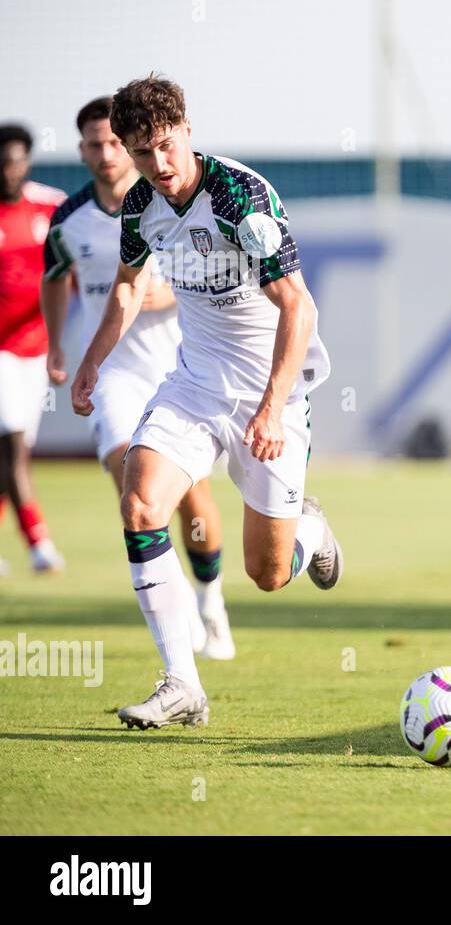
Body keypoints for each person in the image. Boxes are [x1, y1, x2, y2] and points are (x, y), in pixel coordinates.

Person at [70, 74, 343, 729]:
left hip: (268, 392)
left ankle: (313, 528)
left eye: (165, 144)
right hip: (193, 383)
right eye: (141, 151)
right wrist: (89, 365)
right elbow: (129, 291)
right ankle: (182, 684)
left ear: (187, 130)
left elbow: (298, 307)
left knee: (268, 573)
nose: (157, 165)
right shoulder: (140, 207)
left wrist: (273, 407)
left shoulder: (241, 199)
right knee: (140, 504)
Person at [42, 96, 234, 659]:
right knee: (137, 494)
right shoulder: (69, 219)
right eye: (94, 144)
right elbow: (55, 278)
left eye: (112, 143)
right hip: (116, 377)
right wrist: (60, 345)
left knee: (193, 501)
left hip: (179, 367)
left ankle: (212, 601)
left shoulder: (171, 203)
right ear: (83, 150)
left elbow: (214, 276)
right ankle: (178, 638)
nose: (105, 154)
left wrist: (165, 293)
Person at [0, 122, 66, 575]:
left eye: (18, 159)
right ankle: (39, 543)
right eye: (4, 161)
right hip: (0, 352)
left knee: (9, 453)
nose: (11, 169)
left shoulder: (51, 205)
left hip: (37, 351)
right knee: (14, 446)